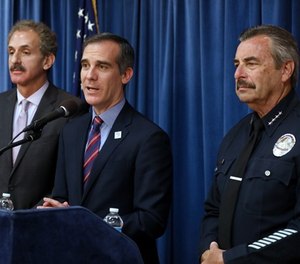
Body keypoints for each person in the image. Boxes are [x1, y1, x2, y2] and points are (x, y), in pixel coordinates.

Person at [38, 32, 173, 264]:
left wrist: (84, 223)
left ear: (126, 74)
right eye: (85, 65)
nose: (90, 76)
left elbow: (151, 220)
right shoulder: (71, 130)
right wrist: (53, 209)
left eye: (102, 66)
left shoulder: (149, 138)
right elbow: (61, 195)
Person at [199, 25, 300, 263]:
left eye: (251, 63)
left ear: (285, 70)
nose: (238, 75)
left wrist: (232, 259)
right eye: (236, 65)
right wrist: (208, 250)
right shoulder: (235, 135)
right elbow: (213, 209)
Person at [0, 20, 84, 210]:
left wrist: (33, 217)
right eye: (11, 52)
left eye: (25, 52)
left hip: (41, 225)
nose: (15, 60)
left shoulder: (70, 109)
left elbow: (67, 179)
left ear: (48, 60)